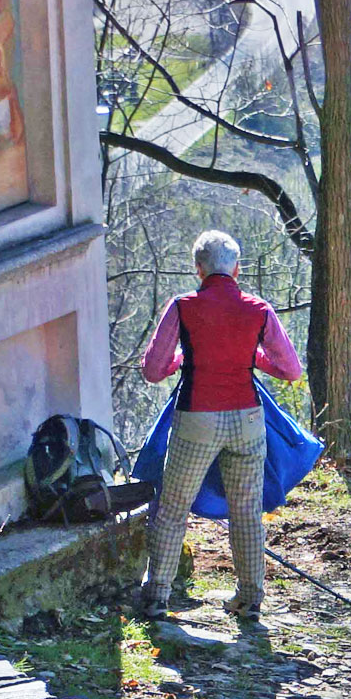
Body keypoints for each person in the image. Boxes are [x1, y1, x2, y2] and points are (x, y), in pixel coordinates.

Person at [136, 231, 304, 622]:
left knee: (173, 507)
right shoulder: (259, 309)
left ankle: (157, 595)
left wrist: (180, 359)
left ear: (198, 269)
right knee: (246, 511)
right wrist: (252, 357)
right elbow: (291, 371)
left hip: (196, 417)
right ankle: (250, 598)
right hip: (247, 419)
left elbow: (152, 370)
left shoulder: (183, 307)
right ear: (237, 269)